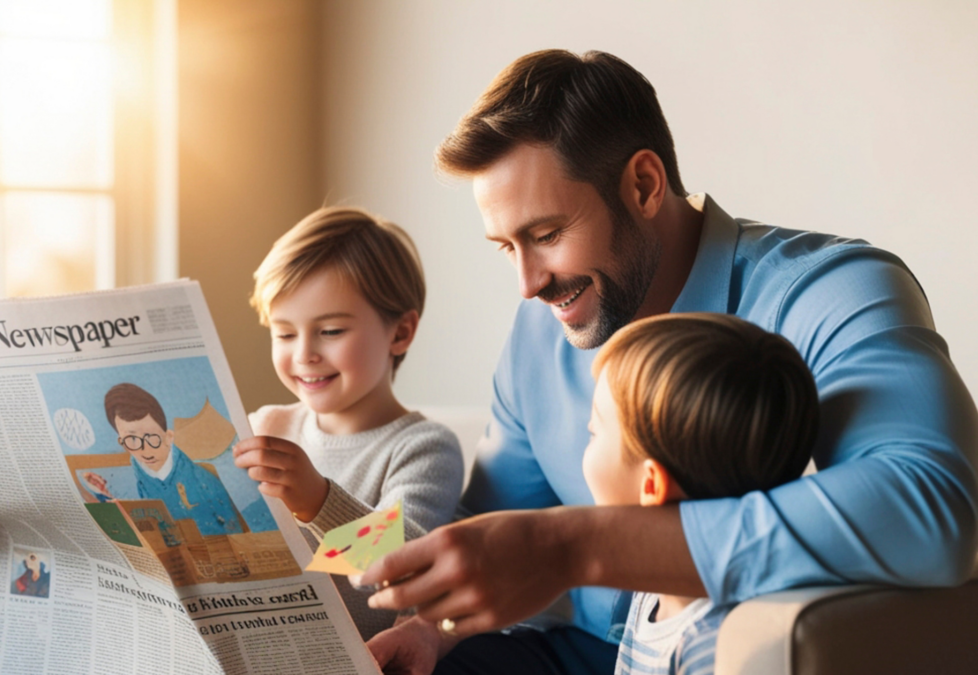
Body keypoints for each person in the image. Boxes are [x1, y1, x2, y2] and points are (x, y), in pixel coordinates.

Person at [358, 49, 978, 675]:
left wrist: (572, 548)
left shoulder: (831, 290)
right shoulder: (541, 328)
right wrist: (432, 630)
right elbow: (487, 524)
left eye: (546, 235)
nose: (526, 284)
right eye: (506, 246)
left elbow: (933, 508)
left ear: (645, 186)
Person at [231, 205, 464, 639]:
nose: (303, 354)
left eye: (331, 331)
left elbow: (402, 570)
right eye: (284, 333)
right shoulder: (265, 427)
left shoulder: (425, 448)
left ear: (400, 333)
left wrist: (318, 501)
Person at [584, 313, 818, 674]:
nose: (587, 435)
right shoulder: (653, 588)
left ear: (651, 485)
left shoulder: (711, 646)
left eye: (594, 431)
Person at [85, 382, 244, 536]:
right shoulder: (141, 473)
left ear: (168, 437)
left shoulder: (201, 481)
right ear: (123, 444)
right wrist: (103, 495)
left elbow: (233, 530)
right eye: (131, 440)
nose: (144, 448)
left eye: (151, 437)